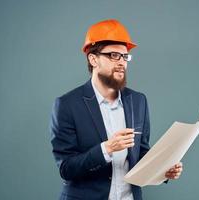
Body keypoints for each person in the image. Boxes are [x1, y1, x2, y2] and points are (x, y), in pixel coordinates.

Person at [50, 19, 183, 200]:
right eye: (114, 55)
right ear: (93, 59)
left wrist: (163, 169)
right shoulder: (67, 105)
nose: (122, 62)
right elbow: (66, 169)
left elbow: (142, 152)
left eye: (125, 56)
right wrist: (106, 149)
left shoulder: (138, 101)